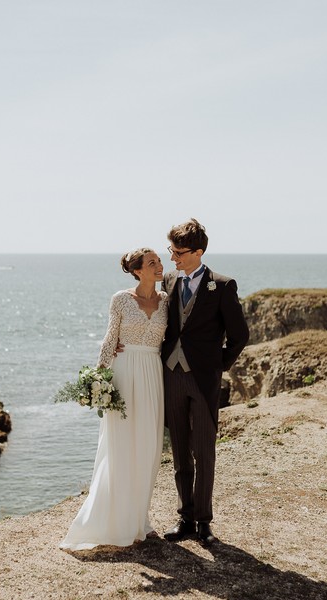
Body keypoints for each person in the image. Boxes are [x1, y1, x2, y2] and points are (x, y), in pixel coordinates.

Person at [60, 248, 167, 550]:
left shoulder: (167, 301)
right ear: (137, 271)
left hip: (152, 373)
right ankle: (114, 521)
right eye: (152, 263)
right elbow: (110, 339)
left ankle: (137, 519)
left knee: (148, 445)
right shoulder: (120, 299)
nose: (159, 266)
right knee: (120, 446)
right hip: (123, 374)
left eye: (159, 261)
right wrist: (97, 378)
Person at [160, 218, 249, 547]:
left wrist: (218, 366)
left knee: (204, 451)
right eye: (171, 250)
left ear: (198, 252)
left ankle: (204, 522)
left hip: (204, 379)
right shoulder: (167, 280)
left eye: (178, 252)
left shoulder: (223, 285)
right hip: (171, 375)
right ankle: (184, 516)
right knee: (180, 450)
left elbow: (240, 335)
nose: (173, 258)